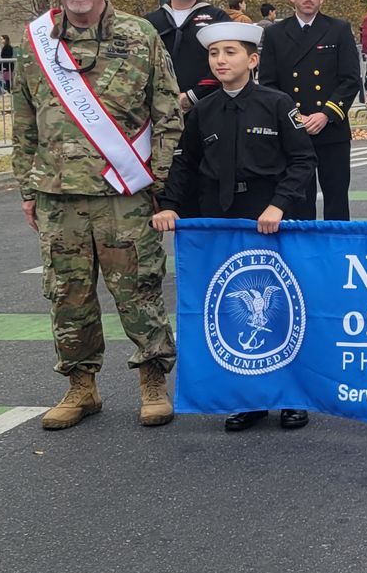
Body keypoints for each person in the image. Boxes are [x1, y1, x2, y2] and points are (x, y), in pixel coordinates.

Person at [11, 0, 182, 431]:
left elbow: (168, 114)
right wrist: (27, 187)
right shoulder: (35, 40)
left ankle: (153, 382)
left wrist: (163, 186)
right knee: (68, 295)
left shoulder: (140, 35)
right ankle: (80, 387)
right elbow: (24, 120)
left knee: (139, 290)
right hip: (58, 195)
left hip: (126, 195)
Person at [154, 21, 318, 432]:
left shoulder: (278, 104)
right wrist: (170, 205)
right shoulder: (205, 110)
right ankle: (249, 398)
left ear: (253, 59)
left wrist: (279, 205)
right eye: (215, 54)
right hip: (224, 220)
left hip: (270, 219)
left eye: (230, 52)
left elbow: (302, 160)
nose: (221, 60)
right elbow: (186, 163)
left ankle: (292, 398)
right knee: (236, 313)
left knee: (283, 310)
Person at [259, 0, 362, 220]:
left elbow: (350, 79)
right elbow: (268, 84)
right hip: (294, 129)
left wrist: (326, 114)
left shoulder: (338, 29)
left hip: (331, 127)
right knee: (298, 198)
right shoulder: (274, 34)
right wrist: (294, 117)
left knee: (336, 197)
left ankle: (336, 253)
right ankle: (302, 256)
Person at [148, 0, 233, 113]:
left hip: (210, 105)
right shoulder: (151, 22)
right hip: (161, 108)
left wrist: (192, 96)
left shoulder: (217, 17)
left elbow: (230, 60)